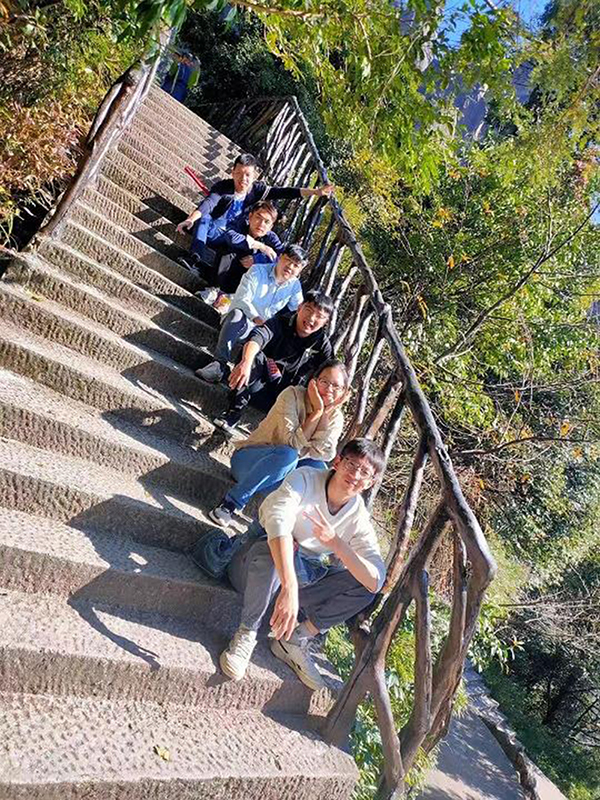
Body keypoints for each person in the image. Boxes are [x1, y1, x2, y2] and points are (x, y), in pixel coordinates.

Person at [219, 438, 387, 689]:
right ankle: (247, 632)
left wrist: (336, 543)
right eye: (352, 464)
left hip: (299, 581)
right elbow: (277, 520)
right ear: (337, 462)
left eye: (365, 472)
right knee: (276, 548)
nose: (355, 475)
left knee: (364, 586)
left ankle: (296, 639)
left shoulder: (358, 516)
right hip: (251, 567)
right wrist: (289, 587)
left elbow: (376, 579)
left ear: (370, 483)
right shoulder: (305, 479)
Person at [208, 359, 350, 527]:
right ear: (314, 381)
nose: (329, 389)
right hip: (248, 462)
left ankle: (283, 528)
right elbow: (291, 443)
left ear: (344, 392)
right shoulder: (292, 395)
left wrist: (325, 413)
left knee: (319, 469)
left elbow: (324, 454)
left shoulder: (336, 417)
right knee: (288, 455)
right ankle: (230, 504)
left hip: (279, 479)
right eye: (324, 381)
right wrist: (317, 412)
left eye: (336, 386)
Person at [176, 153, 333, 270]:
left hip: (239, 238)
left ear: (254, 176)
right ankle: (194, 258)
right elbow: (208, 204)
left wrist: (315, 192)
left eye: (248, 175)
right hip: (215, 232)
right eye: (239, 173)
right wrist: (190, 219)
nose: (243, 179)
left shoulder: (256, 190)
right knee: (204, 218)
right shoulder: (223, 187)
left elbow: (284, 192)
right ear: (232, 172)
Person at [214, 290, 335, 434]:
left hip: (287, 398)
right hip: (256, 385)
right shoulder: (279, 322)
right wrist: (245, 363)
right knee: (251, 354)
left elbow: (331, 373)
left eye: (319, 316)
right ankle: (234, 412)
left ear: (325, 322)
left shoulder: (322, 345)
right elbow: (257, 337)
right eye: (308, 310)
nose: (312, 318)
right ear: (299, 307)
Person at [196, 244, 307, 385]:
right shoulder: (257, 271)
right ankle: (219, 365)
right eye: (288, 260)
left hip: (263, 333)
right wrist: (257, 319)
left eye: (296, 265)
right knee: (236, 315)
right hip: (243, 323)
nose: (290, 267)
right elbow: (242, 299)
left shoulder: (294, 285)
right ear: (280, 257)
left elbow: (297, 311)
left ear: (300, 270)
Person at [197, 200, 284, 307]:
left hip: (246, 277)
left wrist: (257, 259)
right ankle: (213, 290)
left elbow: (282, 259)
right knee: (228, 250)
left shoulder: (272, 239)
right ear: (250, 216)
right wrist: (261, 246)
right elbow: (231, 237)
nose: (261, 224)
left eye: (266, 222)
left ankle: (229, 299)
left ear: (271, 227)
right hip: (227, 267)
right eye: (258, 218)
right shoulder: (240, 223)